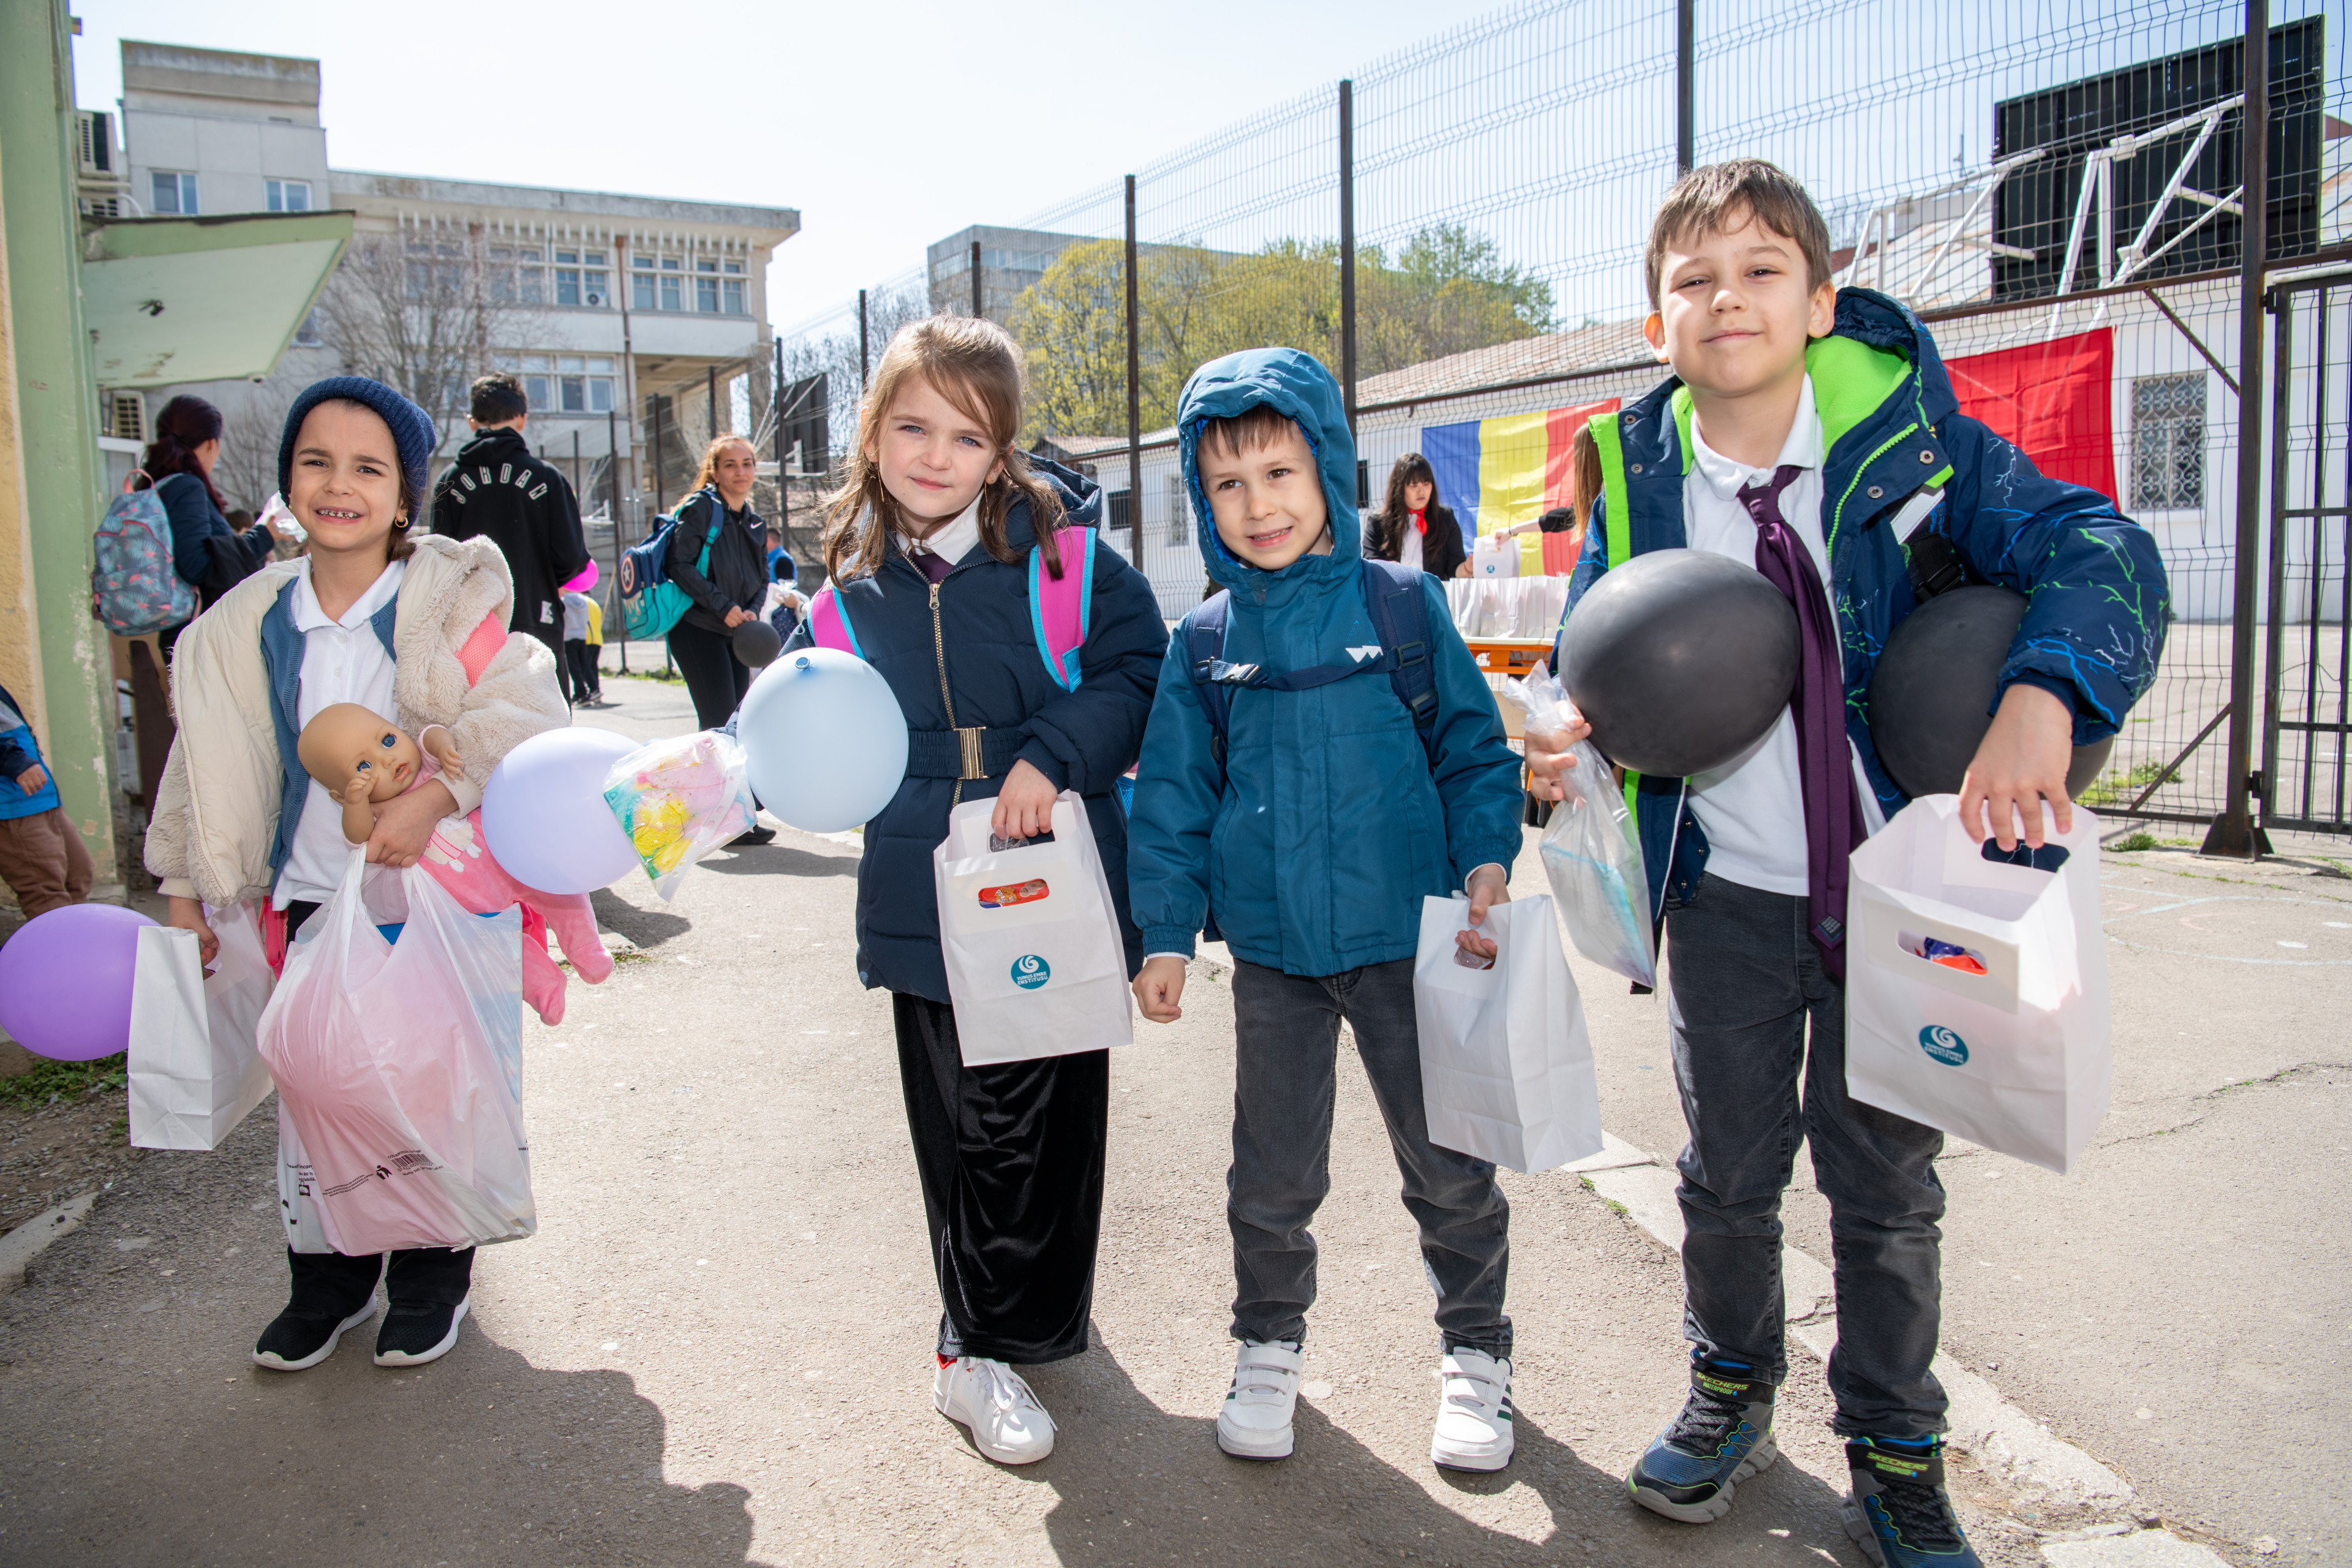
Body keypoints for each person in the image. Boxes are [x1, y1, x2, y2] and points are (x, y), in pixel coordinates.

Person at [1525, 161, 2167, 1566]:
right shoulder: (1634, 474)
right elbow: (1591, 643)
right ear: (1654, 323)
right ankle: (1728, 1387)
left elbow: (2101, 545)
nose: (1727, 298)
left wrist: (2046, 690)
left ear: (1821, 299)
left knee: (1884, 1192)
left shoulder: (1912, 447)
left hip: (1904, 897)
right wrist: (1565, 728)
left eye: (1761, 269)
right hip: (1726, 895)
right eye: (1692, 279)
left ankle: (1895, 1447)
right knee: (1725, 1173)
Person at [1125, 347, 1528, 1472]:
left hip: (1409, 944)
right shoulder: (1204, 641)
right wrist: (1165, 933)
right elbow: (1173, 798)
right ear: (1202, 499)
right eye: (1227, 484)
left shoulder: (1402, 604)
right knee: (1271, 1178)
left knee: (1449, 1167)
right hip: (1274, 958)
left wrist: (1486, 862)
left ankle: (1477, 1351)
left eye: (1280, 473)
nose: (1258, 505)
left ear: (1330, 470)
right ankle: (1266, 1346)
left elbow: (1472, 752)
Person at [781, 316, 1165, 1467]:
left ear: (1002, 451)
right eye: (913, 427)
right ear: (873, 435)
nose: (936, 456)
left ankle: (1022, 1313)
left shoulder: (1067, 563)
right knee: (966, 1124)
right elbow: (803, 734)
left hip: (1050, 880)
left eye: (967, 435)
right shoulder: (842, 600)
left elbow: (1139, 672)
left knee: (1050, 1119)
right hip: (922, 890)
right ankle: (973, 1350)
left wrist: (1053, 752)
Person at [144, 375, 568, 1374]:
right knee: (319, 1094)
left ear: (405, 491)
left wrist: (436, 796)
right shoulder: (248, 624)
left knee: (429, 1091)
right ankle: (328, 1280)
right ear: (287, 478)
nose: (340, 485)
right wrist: (181, 890)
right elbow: (202, 761)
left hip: (427, 902)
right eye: (316, 461)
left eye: (368, 467)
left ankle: (431, 1278)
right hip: (302, 898)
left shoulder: (448, 601)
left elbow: (523, 707)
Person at [428, 374, 591, 668]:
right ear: (522, 419)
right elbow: (572, 557)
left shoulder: (449, 481)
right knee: (540, 695)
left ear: (472, 422)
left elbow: (440, 560)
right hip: (536, 618)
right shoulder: (547, 478)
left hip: (471, 627)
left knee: (477, 698)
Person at [661, 435, 770, 734]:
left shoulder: (755, 523)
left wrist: (752, 610)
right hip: (698, 627)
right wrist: (724, 607)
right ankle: (709, 767)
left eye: (747, 464)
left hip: (737, 631)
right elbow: (678, 565)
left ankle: (724, 768)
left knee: (736, 722)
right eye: (730, 465)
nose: (741, 472)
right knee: (718, 721)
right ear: (715, 472)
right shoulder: (701, 508)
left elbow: (763, 577)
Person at [145, 395, 278, 618]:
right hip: (195, 627)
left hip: (173, 621)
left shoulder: (156, 485)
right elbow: (197, 565)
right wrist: (263, 537)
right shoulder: (187, 486)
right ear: (211, 444)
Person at [0, 682, 93, 921]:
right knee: (45, 894)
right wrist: (14, 762)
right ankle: (59, 944)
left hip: (41, 800)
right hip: (13, 808)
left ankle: (75, 938)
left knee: (78, 877)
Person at [1363, 452, 1467, 579]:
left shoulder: (1445, 518)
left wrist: (1467, 569)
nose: (1421, 491)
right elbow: (1370, 566)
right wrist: (1389, 569)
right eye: (1414, 485)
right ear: (1399, 487)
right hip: (1393, 591)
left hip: (1431, 591)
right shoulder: (1378, 522)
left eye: (1426, 484)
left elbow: (1454, 567)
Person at [560, 587, 598, 706]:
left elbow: (562, 618)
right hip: (582, 635)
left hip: (569, 636)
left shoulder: (563, 600)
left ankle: (582, 693)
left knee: (574, 667)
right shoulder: (583, 600)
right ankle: (580, 693)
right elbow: (586, 618)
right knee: (582, 666)